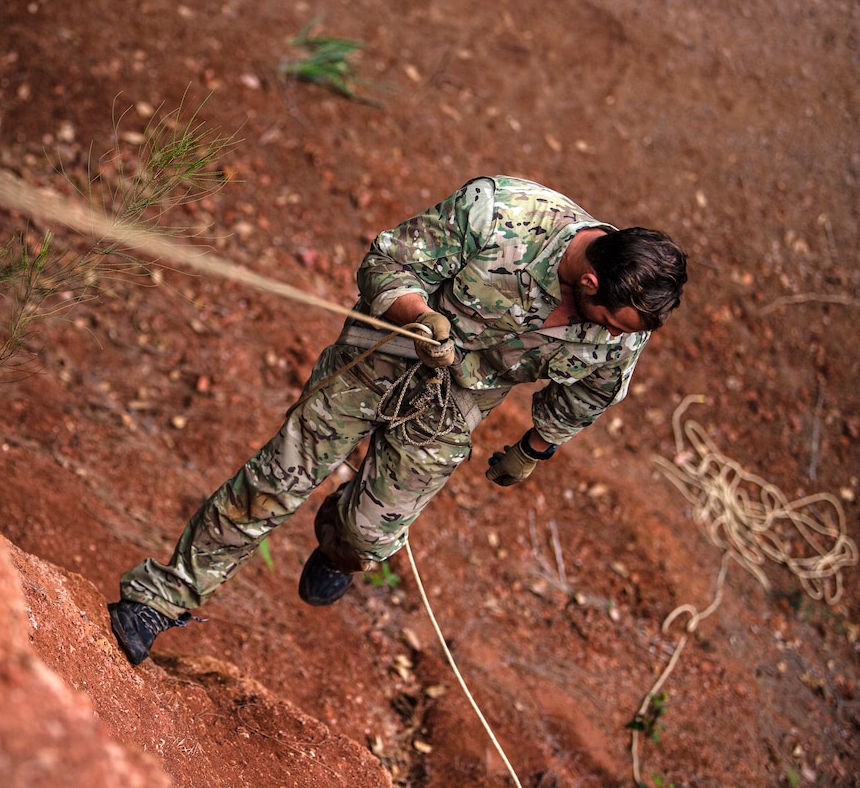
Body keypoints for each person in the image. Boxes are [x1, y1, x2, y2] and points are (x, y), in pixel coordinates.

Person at [107, 174, 688, 665]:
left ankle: (340, 539)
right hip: (383, 352)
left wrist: (533, 448)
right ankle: (157, 600)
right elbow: (386, 264)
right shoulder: (501, 213)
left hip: (452, 403)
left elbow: (591, 391)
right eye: (613, 322)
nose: (615, 335)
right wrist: (421, 317)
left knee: (369, 538)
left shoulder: (621, 328)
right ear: (591, 282)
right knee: (273, 484)